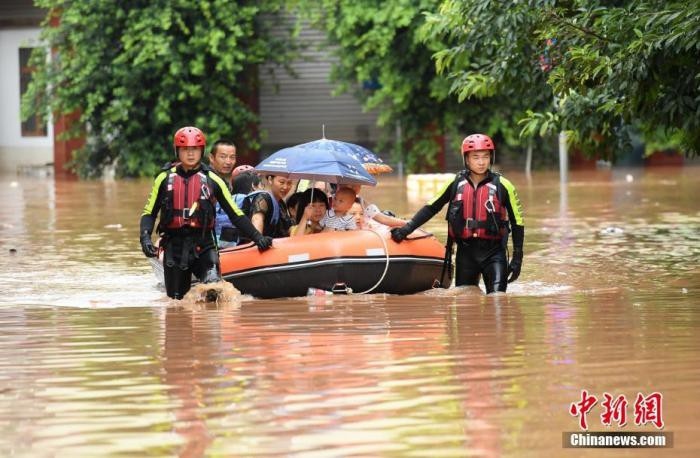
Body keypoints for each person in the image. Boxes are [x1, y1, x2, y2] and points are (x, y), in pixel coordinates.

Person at [139, 126, 273, 300]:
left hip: (204, 246)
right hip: (174, 247)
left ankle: (212, 322)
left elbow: (236, 214)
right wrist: (145, 237)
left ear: (201, 151)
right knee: (176, 303)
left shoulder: (213, 180)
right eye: (185, 149)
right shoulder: (163, 179)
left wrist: (258, 237)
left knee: (214, 290)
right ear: (177, 151)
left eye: (194, 149)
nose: (190, 154)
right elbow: (149, 212)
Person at [390, 133, 524, 293]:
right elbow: (431, 208)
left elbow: (518, 222)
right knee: (465, 306)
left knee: (498, 302)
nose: (481, 162)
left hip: (494, 253)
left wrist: (517, 258)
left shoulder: (504, 185)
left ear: (491, 158)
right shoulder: (455, 183)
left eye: (485, 157)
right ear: (466, 159)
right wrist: (406, 230)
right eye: (476, 157)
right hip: (465, 254)